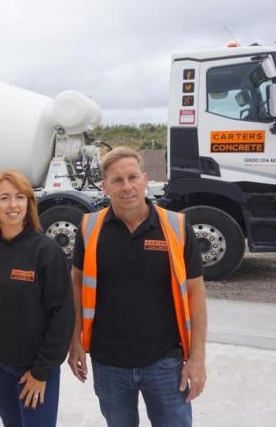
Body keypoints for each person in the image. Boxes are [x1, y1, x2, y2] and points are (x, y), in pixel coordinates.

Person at [67, 147, 207, 427]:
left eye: (133, 177)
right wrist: (74, 343)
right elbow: (76, 288)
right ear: (105, 186)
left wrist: (197, 359)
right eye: (117, 180)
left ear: (145, 179)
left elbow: (195, 294)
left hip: (165, 362)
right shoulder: (89, 228)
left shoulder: (176, 228)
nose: (127, 187)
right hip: (108, 363)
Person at [0, 170, 74, 427]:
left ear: (29, 203)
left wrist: (41, 372)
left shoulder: (46, 252)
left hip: (33, 369)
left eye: (20, 197)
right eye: (5, 197)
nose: (12, 205)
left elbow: (63, 315)